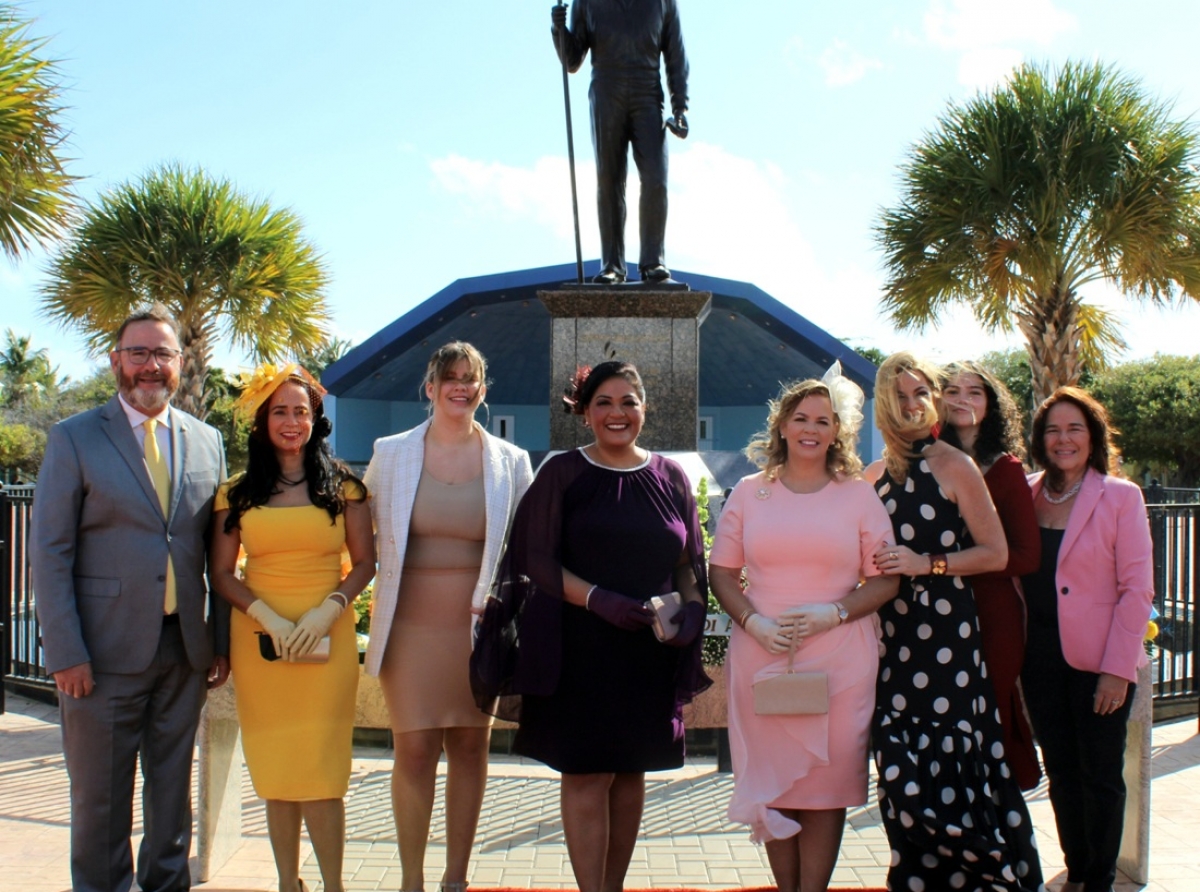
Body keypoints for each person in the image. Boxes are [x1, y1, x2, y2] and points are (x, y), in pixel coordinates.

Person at [472, 360, 710, 892]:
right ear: (585, 412)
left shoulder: (671, 477)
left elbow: (686, 563)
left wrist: (692, 610)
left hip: (648, 652)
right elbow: (535, 557)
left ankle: (614, 887)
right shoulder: (563, 474)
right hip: (578, 649)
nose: (618, 412)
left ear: (645, 408)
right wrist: (597, 599)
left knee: (630, 772)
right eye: (604, 402)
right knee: (587, 772)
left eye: (629, 401)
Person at [30, 304, 229, 892]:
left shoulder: (207, 441)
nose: (150, 366)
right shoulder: (74, 438)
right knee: (101, 800)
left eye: (162, 354)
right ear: (116, 360)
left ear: (181, 362)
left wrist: (217, 643)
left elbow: (214, 553)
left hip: (184, 652)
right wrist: (65, 651)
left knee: (172, 796)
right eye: (138, 353)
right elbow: (51, 551)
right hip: (100, 654)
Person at [708, 366, 897, 892]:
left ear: (838, 430)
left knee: (825, 787)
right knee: (774, 784)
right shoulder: (750, 492)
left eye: (824, 419)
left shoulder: (859, 496)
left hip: (841, 658)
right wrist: (753, 623)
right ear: (782, 425)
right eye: (801, 418)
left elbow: (885, 582)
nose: (811, 428)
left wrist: (833, 613)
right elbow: (721, 573)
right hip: (763, 652)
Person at [865, 352, 1043, 892]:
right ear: (883, 402)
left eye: (923, 392)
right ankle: (918, 878)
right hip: (892, 640)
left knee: (957, 766)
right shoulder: (871, 476)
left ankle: (987, 876)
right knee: (899, 769)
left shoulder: (953, 464)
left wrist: (928, 565)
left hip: (949, 639)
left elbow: (995, 552)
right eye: (901, 394)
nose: (914, 403)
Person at [362, 342, 533, 892]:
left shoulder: (511, 460)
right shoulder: (390, 452)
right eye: (451, 377)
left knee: (469, 747)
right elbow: (356, 529)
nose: (461, 387)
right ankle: (411, 880)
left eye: (472, 380)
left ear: (483, 392)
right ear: (430, 386)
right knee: (413, 750)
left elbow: (527, 549)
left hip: (476, 629)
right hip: (408, 625)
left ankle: (455, 879)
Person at [210, 363, 375, 892]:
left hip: (328, 639)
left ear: (315, 418)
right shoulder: (233, 493)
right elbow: (219, 573)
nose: (291, 421)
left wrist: (330, 608)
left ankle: (333, 886)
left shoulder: (345, 487)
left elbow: (366, 563)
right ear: (262, 421)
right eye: (279, 411)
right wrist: (266, 616)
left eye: (300, 411)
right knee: (277, 774)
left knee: (323, 774)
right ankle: (287, 884)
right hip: (263, 642)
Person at [1021, 387, 1153, 892]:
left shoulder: (1120, 496)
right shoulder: (1027, 493)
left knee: (1100, 774)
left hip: (1100, 662)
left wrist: (1117, 670)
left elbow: (1137, 588)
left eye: (1075, 427)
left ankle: (1099, 879)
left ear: (1093, 435)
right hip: (1039, 660)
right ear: (1041, 438)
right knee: (1060, 769)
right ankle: (1076, 868)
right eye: (1053, 429)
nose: (1063, 439)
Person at [940, 360, 1042, 790]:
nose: (963, 399)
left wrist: (964, 563)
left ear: (990, 404)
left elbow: (1026, 555)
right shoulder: (925, 463)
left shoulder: (1005, 469)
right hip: (936, 613)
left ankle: (999, 810)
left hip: (991, 614)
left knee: (991, 707)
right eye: (952, 390)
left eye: (974, 391)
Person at [550, 0, 689, 284]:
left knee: (655, 179)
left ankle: (653, 261)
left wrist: (680, 108)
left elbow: (675, 56)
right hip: (606, 89)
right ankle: (612, 264)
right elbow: (573, 60)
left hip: (647, 90)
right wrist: (558, 29)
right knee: (609, 179)